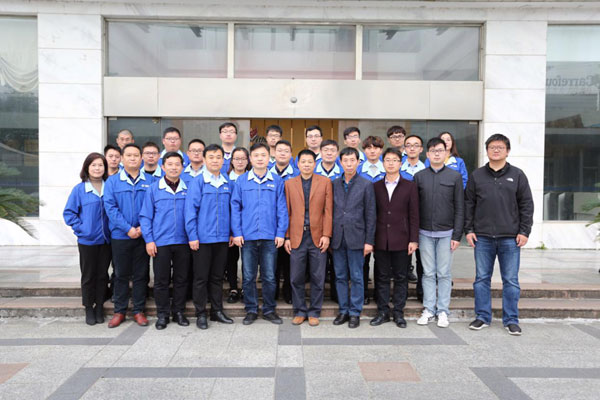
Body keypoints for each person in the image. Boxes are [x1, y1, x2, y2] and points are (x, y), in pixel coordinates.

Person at [465, 133, 534, 336]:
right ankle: (482, 316)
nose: (496, 150)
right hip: (482, 237)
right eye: (492, 147)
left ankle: (511, 319)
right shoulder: (477, 175)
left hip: (510, 238)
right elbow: (469, 204)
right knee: (481, 279)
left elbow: (526, 205)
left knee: (510, 280)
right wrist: (468, 230)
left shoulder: (517, 175)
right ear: (486, 150)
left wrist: (524, 231)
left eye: (500, 147)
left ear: (507, 151)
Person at [231, 142, 289, 325]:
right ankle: (251, 309)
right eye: (256, 155)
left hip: (270, 237)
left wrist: (281, 233)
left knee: (269, 276)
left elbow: (282, 209)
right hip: (247, 237)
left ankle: (269, 309)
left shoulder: (277, 181)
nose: (260, 159)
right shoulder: (241, 181)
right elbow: (235, 208)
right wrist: (237, 232)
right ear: (250, 159)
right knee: (248, 276)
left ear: (269, 158)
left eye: (263, 155)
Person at [414, 138, 464, 328]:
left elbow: (460, 207)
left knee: (444, 273)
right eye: (433, 150)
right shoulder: (419, 177)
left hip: (446, 233)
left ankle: (443, 310)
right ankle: (429, 309)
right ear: (427, 154)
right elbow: (414, 209)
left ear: (446, 153)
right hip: (424, 233)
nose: (436, 153)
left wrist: (457, 235)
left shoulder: (454, 176)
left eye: (440, 150)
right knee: (428, 273)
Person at [185, 144, 234, 329]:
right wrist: (192, 236)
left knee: (217, 277)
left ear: (223, 160)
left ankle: (216, 311)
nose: (215, 160)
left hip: (222, 238)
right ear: (204, 160)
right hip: (202, 239)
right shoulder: (198, 182)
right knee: (201, 278)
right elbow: (190, 211)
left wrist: (231, 232)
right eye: (211, 157)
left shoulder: (227, 182)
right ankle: (200, 314)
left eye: (218, 157)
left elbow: (232, 210)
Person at [139, 152, 190, 330]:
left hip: (183, 241)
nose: (174, 167)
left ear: (182, 167)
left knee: (181, 279)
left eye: (177, 164)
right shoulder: (154, 189)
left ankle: (179, 312)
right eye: (170, 164)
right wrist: (149, 240)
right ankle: (162, 314)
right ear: (163, 167)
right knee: (161, 280)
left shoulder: (188, 188)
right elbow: (145, 216)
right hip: (161, 242)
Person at [103, 143, 152, 328]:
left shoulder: (150, 181)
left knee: (141, 274)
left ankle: (139, 310)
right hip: (120, 236)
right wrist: (127, 228)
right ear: (122, 159)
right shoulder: (113, 182)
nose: (132, 158)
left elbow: (152, 207)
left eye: (136, 155)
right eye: (129, 155)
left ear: (141, 159)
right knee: (121, 274)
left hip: (142, 235)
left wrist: (141, 228)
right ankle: (120, 311)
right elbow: (110, 208)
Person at [370, 148, 419, 329]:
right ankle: (382, 311)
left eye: (394, 160)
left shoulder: (409, 186)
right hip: (381, 239)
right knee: (382, 277)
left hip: (402, 239)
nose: (391, 163)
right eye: (387, 160)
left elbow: (414, 215)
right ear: (383, 163)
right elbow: (372, 214)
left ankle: (398, 312)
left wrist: (413, 239)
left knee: (401, 277)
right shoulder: (375, 186)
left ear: (401, 163)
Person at [284, 149, 333, 327]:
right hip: (297, 236)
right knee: (296, 277)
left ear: (315, 163)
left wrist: (326, 235)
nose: (306, 165)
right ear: (297, 164)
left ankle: (314, 311)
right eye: (303, 161)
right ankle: (299, 311)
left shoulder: (325, 182)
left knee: (318, 277)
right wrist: (287, 236)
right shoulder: (289, 184)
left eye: (309, 162)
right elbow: (287, 212)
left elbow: (328, 211)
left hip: (317, 236)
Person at [63, 153, 112, 325]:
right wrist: (82, 229)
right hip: (87, 241)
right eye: (94, 165)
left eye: (100, 165)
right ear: (87, 168)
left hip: (107, 240)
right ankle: (89, 308)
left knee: (102, 275)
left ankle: (99, 306)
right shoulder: (79, 189)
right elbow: (69, 213)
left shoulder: (109, 187)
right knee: (89, 275)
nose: (97, 168)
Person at [331, 147, 376, 329]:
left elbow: (371, 215)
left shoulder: (366, 184)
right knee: (340, 276)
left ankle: (355, 312)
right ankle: (343, 310)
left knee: (357, 276)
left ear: (358, 162)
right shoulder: (334, 184)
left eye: (352, 160)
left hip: (357, 237)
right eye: (345, 161)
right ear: (340, 162)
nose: (349, 164)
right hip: (337, 238)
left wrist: (369, 241)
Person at [269, 139, 300, 304]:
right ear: (274, 153)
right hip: (270, 225)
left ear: (291, 155)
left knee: (289, 263)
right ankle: (272, 294)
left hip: (292, 225)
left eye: (286, 151)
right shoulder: (266, 172)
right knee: (271, 263)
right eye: (279, 150)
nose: (282, 153)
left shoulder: (297, 174)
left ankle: (288, 293)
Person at [357, 135, 386, 305]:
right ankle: (363, 294)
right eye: (369, 148)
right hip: (363, 222)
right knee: (363, 262)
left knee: (382, 263)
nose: (372, 151)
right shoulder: (358, 169)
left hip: (384, 221)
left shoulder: (389, 168)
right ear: (364, 150)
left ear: (381, 150)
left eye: (376, 148)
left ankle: (380, 295)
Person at [314, 139, 341, 303]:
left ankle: (337, 296)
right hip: (317, 223)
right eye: (326, 150)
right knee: (318, 263)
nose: (329, 153)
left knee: (336, 263)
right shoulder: (312, 170)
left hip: (338, 222)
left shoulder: (343, 171)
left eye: (332, 150)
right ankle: (319, 297)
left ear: (337, 153)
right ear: (320, 152)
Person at [400, 134, 426, 293]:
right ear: (404, 149)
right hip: (401, 221)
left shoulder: (427, 170)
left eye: (416, 145)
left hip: (423, 219)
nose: (412, 148)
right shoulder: (397, 168)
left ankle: (421, 292)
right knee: (403, 261)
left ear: (421, 149)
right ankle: (401, 294)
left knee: (423, 260)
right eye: (408, 145)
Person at [225, 147, 251, 303]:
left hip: (249, 226)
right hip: (229, 226)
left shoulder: (252, 177)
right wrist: (231, 231)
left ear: (248, 161)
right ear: (231, 161)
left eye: (243, 159)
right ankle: (233, 288)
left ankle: (247, 289)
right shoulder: (225, 179)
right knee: (232, 259)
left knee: (248, 260)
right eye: (236, 159)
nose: (240, 162)